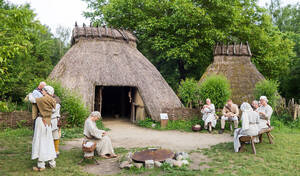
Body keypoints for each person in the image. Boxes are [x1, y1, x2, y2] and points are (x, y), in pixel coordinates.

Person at [29, 86, 57, 171]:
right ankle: (52, 163)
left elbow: (32, 100)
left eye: (43, 90)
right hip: (48, 122)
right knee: (48, 141)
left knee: (40, 141)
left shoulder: (43, 99)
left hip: (41, 121)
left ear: (46, 91)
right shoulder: (52, 99)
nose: (42, 91)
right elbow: (53, 111)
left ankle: (41, 164)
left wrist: (30, 94)